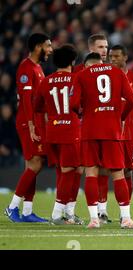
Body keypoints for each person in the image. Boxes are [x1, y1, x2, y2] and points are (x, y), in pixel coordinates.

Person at [72, 52, 133, 229]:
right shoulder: (117, 72)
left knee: (91, 173)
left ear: (88, 64)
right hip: (112, 130)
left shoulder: (81, 75)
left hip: (90, 129)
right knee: (118, 173)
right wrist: (120, 117)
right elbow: (132, 101)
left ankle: (94, 219)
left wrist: (83, 113)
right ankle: (126, 219)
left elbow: (73, 104)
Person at [33, 44, 83, 225]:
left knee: (71, 170)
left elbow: (37, 107)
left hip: (52, 131)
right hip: (70, 131)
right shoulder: (76, 79)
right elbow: (79, 105)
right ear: (72, 61)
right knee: (70, 171)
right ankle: (56, 214)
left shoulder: (45, 81)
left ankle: (69, 212)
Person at [5, 33, 52, 223]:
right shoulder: (26, 68)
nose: (50, 50)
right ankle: (12, 207)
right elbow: (25, 100)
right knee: (36, 164)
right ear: (38, 46)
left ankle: (27, 211)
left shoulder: (38, 68)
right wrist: (32, 125)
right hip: (28, 122)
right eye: (48, 46)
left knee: (33, 164)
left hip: (36, 121)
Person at [73, 33, 111, 223]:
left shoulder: (110, 71)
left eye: (106, 47)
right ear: (91, 49)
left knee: (104, 169)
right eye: (100, 47)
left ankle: (102, 210)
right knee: (79, 169)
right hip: (83, 128)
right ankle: (67, 210)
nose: (105, 50)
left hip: (103, 128)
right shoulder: (79, 72)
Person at [109, 45, 133, 201]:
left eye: (116, 56)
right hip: (110, 131)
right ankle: (101, 211)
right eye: (111, 57)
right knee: (106, 170)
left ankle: (125, 209)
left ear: (125, 57)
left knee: (127, 171)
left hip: (129, 133)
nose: (113, 59)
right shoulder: (106, 79)